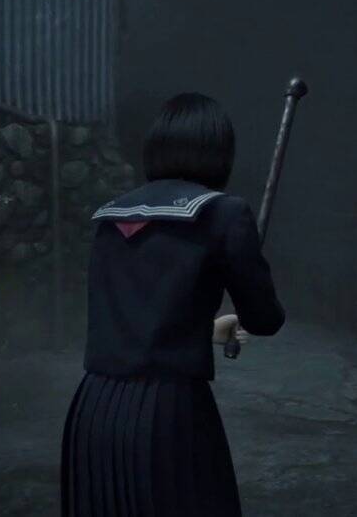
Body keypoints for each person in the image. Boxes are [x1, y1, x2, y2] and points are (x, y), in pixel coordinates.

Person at [61, 92, 286, 517]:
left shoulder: (112, 216)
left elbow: (134, 314)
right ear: (219, 153)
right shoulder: (226, 213)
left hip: (93, 411)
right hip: (167, 414)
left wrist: (206, 329)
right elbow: (264, 318)